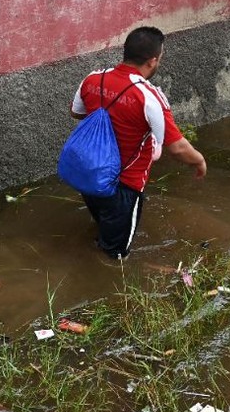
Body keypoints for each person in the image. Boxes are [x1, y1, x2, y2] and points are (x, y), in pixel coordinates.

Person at [69, 26, 207, 260]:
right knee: (115, 257)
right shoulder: (148, 96)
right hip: (124, 185)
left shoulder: (93, 78)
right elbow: (177, 148)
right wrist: (200, 161)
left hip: (88, 175)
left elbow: (77, 113)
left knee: (101, 228)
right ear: (153, 61)